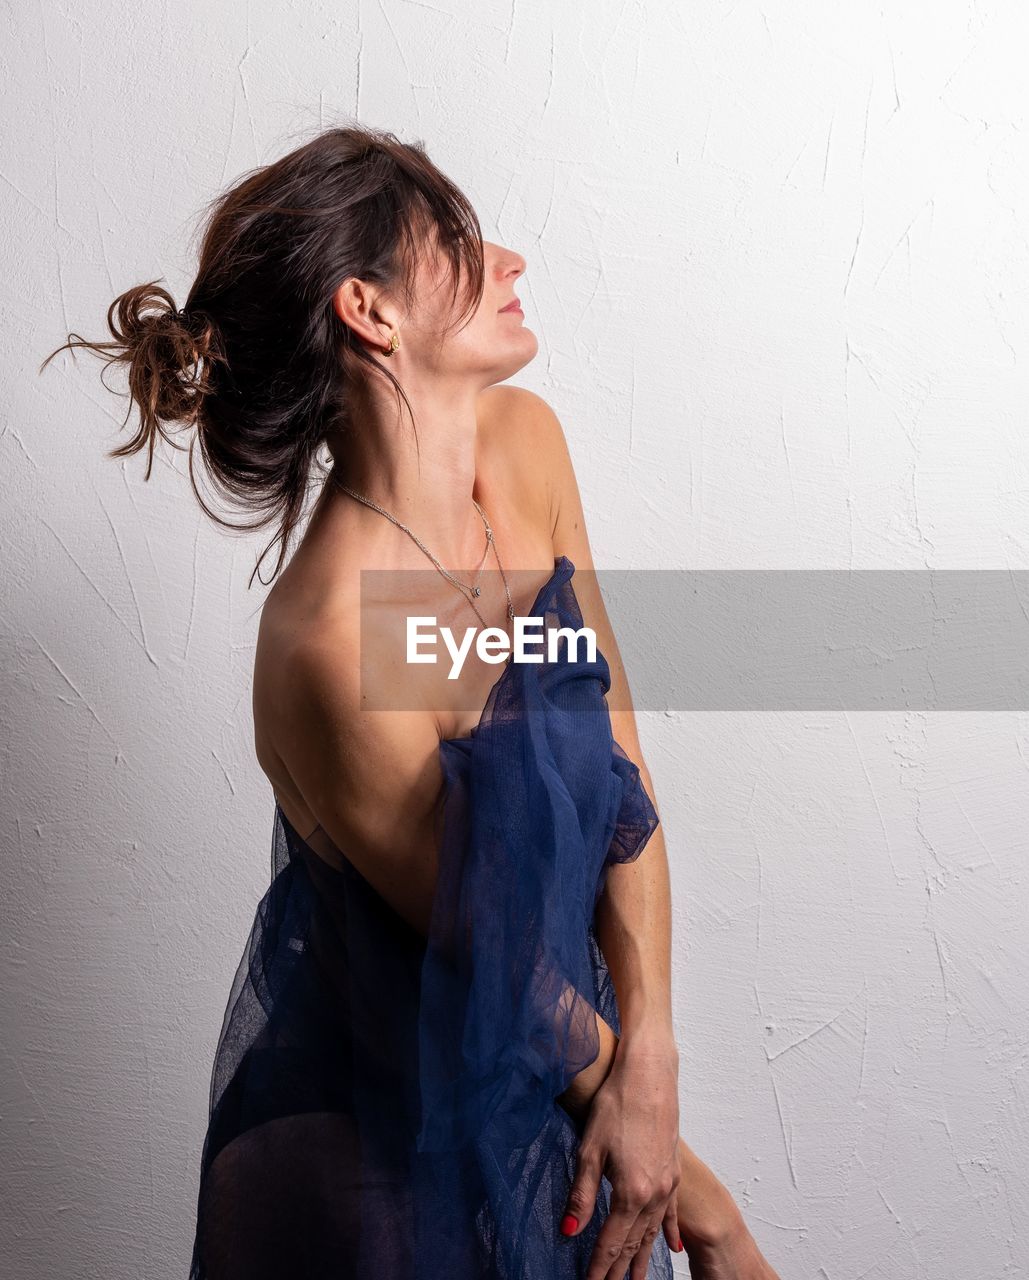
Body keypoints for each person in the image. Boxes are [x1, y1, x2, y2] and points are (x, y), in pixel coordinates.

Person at [42, 123, 780, 1280]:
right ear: (369, 312)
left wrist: (658, 1056)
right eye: (463, 245)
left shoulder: (526, 450)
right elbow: (501, 964)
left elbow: (624, 781)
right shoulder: (328, 643)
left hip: (557, 1092)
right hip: (387, 1160)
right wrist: (712, 1207)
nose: (512, 264)